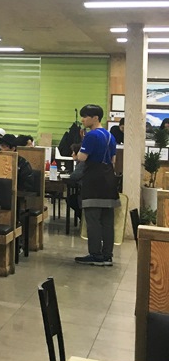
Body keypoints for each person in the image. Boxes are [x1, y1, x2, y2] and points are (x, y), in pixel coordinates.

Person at [75, 104, 119, 267]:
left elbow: (82, 157)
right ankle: (107, 255)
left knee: (93, 220)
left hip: (94, 181)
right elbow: (113, 160)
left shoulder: (92, 135)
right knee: (107, 221)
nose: (82, 120)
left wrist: (76, 153)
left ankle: (95, 254)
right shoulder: (110, 136)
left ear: (95, 118)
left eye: (85, 116)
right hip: (109, 180)